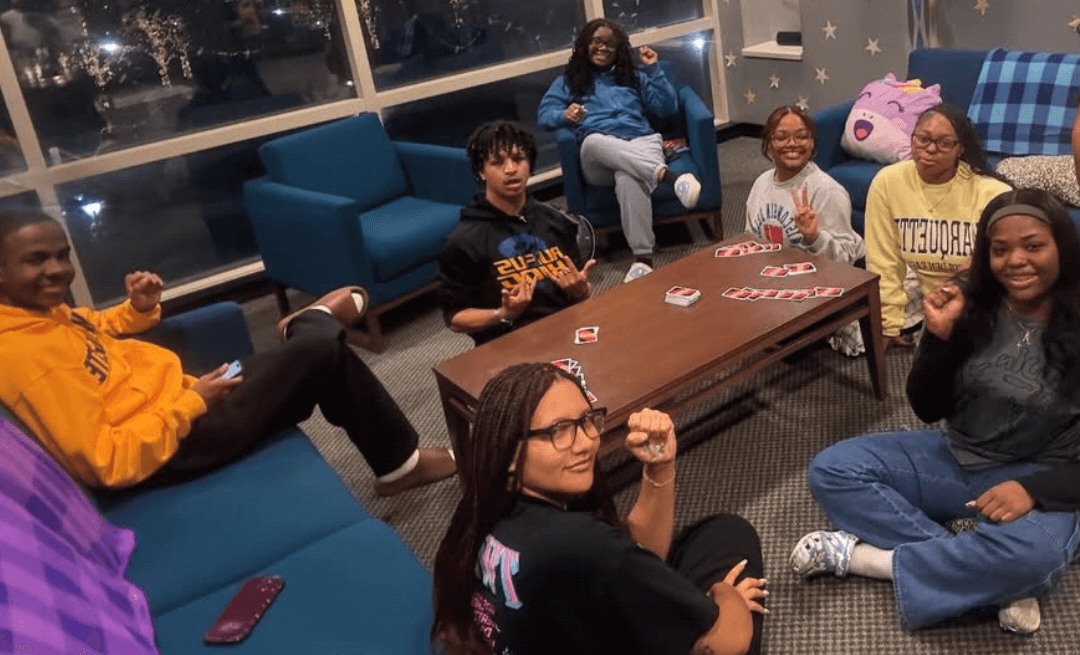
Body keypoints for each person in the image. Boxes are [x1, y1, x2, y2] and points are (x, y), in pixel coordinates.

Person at [790, 188, 1080, 634]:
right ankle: (987, 574)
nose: (1016, 260)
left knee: (1034, 554)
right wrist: (939, 337)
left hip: (1045, 472)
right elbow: (927, 408)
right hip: (959, 458)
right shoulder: (973, 303)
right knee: (833, 469)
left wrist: (1032, 490)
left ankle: (870, 560)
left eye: (1034, 246)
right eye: (1000, 250)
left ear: (1062, 247)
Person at [0, 211, 456, 494]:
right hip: (178, 445)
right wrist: (192, 402)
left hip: (186, 400)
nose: (57, 270)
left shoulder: (43, 314)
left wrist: (137, 310)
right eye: (36, 260)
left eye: (62, 255)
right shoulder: (23, 356)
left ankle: (398, 461)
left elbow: (94, 329)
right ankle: (313, 326)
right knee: (319, 349)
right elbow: (107, 462)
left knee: (318, 358)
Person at [432, 362, 767, 655]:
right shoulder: (583, 544)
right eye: (557, 431)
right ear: (510, 449)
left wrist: (659, 467)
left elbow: (637, 550)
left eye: (587, 420)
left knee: (717, 533)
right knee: (734, 553)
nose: (585, 443)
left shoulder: (484, 509)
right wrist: (723, 594)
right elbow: (723, 644)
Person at [538, 18, 701, 284]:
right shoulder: (569, 81)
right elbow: (545, 115)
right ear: (585, 45)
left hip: (641, 143)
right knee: (591, 142)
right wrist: (565, 114)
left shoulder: (633, 77)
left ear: (619, 49)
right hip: (598, 155)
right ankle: (669, 177)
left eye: (610, 44)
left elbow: (666, 108)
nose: (603, 47)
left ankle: (643, 259)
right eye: (597, 41)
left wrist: (653, 69)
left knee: (628, 176)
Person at [865, 103, 1011, 350]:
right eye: (923, 139)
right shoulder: (888, 183)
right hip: (928, 300)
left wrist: (977, 270)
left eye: (944, 143)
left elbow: (1009, 264)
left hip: (980, 301)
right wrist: (888, 322)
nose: (930, 149)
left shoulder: (993, 193)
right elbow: (884, 261)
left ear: (960, 149)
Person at [439, 120, 595, 346]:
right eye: (497, 162)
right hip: (508, 342)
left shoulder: (556, 221)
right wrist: (502, 314)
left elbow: (581, 286)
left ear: (530, 166)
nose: (511, 169)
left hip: (567, 330)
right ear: (481, 171)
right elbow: (454, 318)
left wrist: (582, 292)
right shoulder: (462, 240)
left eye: (518, 159)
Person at [747, 104, 866, 355]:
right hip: (777, 280)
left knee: (771, 336)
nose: (792, 143)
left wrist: (815, 237)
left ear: (812, 143)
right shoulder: (760, 184)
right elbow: (751, 240)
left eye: (802, 136)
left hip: (821, 285)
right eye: (781, 137)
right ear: (768, 144)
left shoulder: (827, 191)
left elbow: (847, 262)